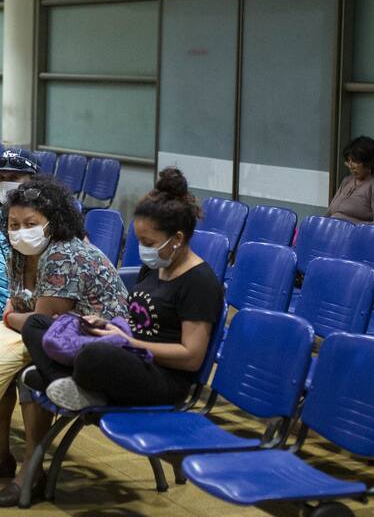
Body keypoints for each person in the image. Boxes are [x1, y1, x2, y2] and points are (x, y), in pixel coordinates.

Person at [21, 166, 223, 415]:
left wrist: (129, 342)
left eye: (149, 242)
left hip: (162, 376)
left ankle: (60, 378)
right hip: (129, 354)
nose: (143, 249)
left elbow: (191, 357)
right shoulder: (157, 265)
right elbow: (137, 321)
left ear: (178, 239)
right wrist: (104, 325)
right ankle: (70, 385)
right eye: (139, 240)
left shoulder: (199, 283)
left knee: (94, 355)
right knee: (36, 324)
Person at [0, 176, 128, 506]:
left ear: (53, 222)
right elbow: (28, 311)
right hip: (58, 338)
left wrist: (10, 318)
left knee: (26, 370)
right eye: (14, 224)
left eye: (31, 224)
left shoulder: (64, 255)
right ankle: (1, 457)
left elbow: (41, 322)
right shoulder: (18, 252)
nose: (20, 231)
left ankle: (31, 471)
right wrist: (17, 316)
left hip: (101, 350)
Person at [0, 151, 40, 309]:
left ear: (33, 181)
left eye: (13, 178)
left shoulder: (51, 215)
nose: (5, 183)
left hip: (27, 302)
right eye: (1, 178)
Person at [326, 136, 374, 225]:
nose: (351, 166)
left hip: (354, 233)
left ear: (369, 162)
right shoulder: (347, 181)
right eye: (348, 160)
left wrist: (351, 227)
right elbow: (329, 212)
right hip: (331, 230)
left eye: (355, 161)